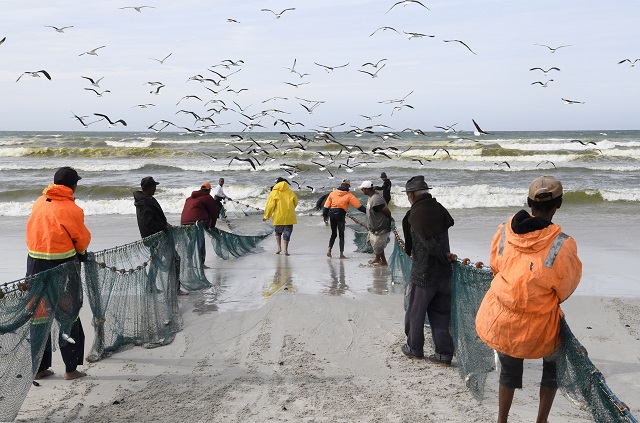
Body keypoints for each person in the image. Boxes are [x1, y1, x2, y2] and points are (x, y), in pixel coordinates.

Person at [475, 176, 582, 423]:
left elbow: (496, 266)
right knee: (552, 367)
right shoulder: (562, 244)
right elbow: (565, 288)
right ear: (560, 203)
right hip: (539, 324)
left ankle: (502, 419)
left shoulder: (504, 230)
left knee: (509, 371)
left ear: (528, 202)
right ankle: (541, 420)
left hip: (501, 317)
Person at [27, 166, 91, 381]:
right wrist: (82, 253)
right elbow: (80, 239)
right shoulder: (73, 209)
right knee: (68, 314)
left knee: (39, 314)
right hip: (62, 265)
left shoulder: (39, 202)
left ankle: (39, 367)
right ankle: (71, 370)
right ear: (73, 185)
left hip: (34, 263)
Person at [401, 175, 456, 365]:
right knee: (441, 314)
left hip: (424, 273)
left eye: (408, 195)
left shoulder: (416, 214)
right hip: (445, 273)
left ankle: (414, 348)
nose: (408, 198)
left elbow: (429, 244)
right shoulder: (439, 209)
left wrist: (441, 256)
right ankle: (443, 354)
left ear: (413, 196)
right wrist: (446, 258)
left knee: (415, 312)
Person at [133, 176, 184, 294]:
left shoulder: (144, 200)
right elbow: (149, 223)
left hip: (151, 237)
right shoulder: (145, 203)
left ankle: (150, 286)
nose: (156, 188)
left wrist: (165, 224)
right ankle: (175, 289)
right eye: (154, 186)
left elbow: (155, 220)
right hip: (156, 238)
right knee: (175, 260)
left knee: (156, 261)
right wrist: (164, 227)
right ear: (149, 188)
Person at [322, 178, 366, 258]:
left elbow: (326, 206)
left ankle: (329, 250)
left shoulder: (332, 193)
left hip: (332, 214)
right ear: (348, 186)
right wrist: (368, 211)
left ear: (341, 184)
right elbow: (358, 206)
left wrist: (325, 216)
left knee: (333, 234)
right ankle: (341, 254)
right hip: (340, 215)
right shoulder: (349, 195)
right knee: (341, 235)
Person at [180, 182, 219, 268]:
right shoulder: (207, 197)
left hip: (184, 222)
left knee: (191, 241)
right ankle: (201, 264)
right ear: (208, 190)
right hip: (197, 223)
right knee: (200, 242)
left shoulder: (189, 198)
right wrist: (212, 226)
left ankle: (189, 262)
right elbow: (214, 212)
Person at [358, 180, 392, 266]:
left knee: (378, 246)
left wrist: (387, 221)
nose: (362, 191)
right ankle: (377, 258)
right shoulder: (371, 196)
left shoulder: (376, 199)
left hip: (380, 227)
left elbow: (387, 212)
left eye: (363, 189)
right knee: (374, 244)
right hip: (374, 226)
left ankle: (383, 262)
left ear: (367, 189)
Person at [263, 177, 298, 256]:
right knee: (287, 233)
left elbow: (270, 205)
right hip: (289, 216)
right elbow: (295, 202)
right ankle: (286, 250)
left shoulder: (274, 192)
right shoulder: (290, 192)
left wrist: (266, 216)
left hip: (278, 216)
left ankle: (279, 248)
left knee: (278, 232)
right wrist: (291, 209)